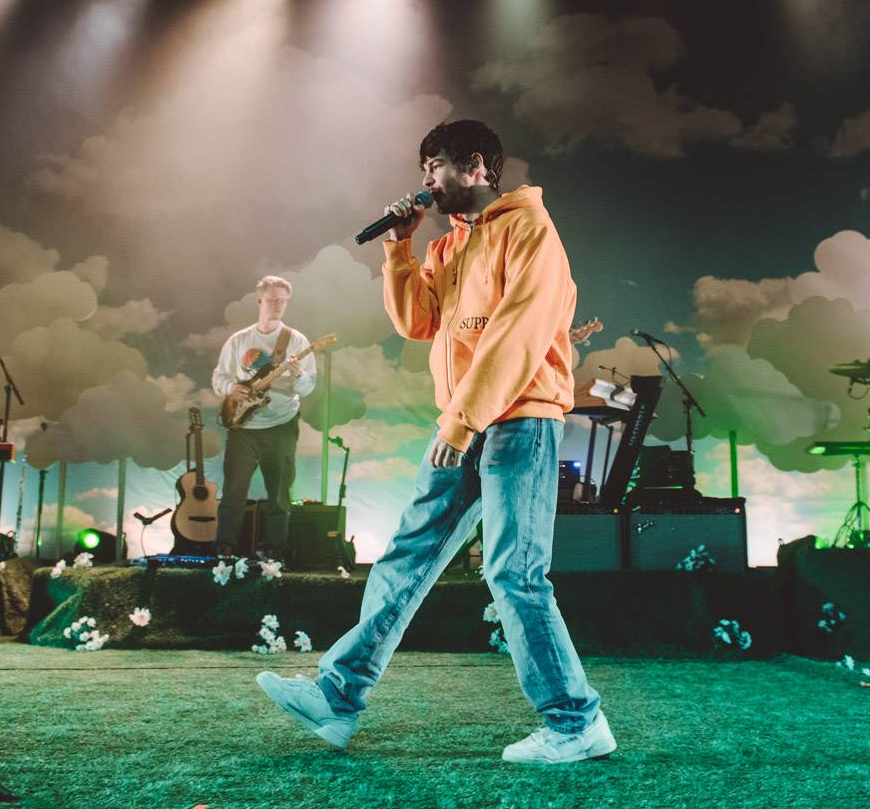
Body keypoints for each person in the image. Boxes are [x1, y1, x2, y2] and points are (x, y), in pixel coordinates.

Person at [256, 120, 612, 764]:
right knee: (406, 558)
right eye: (423, 169)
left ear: (476, 167)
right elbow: (418, 322)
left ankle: (575, 721)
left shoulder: (529, 230)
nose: (425, 181)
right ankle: (339, 697)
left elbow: (520, 334)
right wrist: (399, 249)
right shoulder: (450, 247)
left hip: (520, 419)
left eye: (436, 167)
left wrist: (463, 419)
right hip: (465, 422)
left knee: (515, 574)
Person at [211, 276, 316, 560]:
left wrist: (298, 374)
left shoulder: (296, 341)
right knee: (233, 490)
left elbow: (308, 387)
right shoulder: (239, 340)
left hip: (281, 425)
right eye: (272, 300)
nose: (278, 305)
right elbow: (219, 377)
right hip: (242, 426)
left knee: (279, 492)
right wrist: (231, 389)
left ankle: (274, 550)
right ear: (259, 300)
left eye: (283, 301)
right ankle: (225, 549)